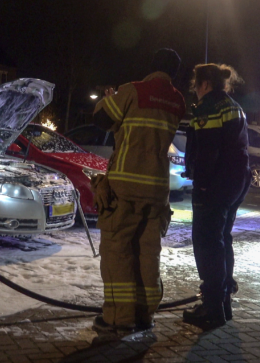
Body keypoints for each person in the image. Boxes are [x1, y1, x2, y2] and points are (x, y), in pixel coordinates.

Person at [90, 48, 186, 334]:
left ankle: (118, 318)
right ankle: (145, 315)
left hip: (125, 186)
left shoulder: (133, 90)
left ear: (151, 65)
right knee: (148, 252)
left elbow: (103, 120)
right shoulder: (177, 100)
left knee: (118, 251)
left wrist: (107, 99)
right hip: (157, 190)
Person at [182, 63, 250, 329]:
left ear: (205, 84)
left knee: (207, 243)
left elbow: (208, 150)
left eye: (195, 84)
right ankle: (222, 306)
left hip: (216, 184)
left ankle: (212, 310)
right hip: (236, 182)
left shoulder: (210, 106)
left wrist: (202, 185)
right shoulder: (233, 105)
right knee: (221, 239)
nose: (194, 90)